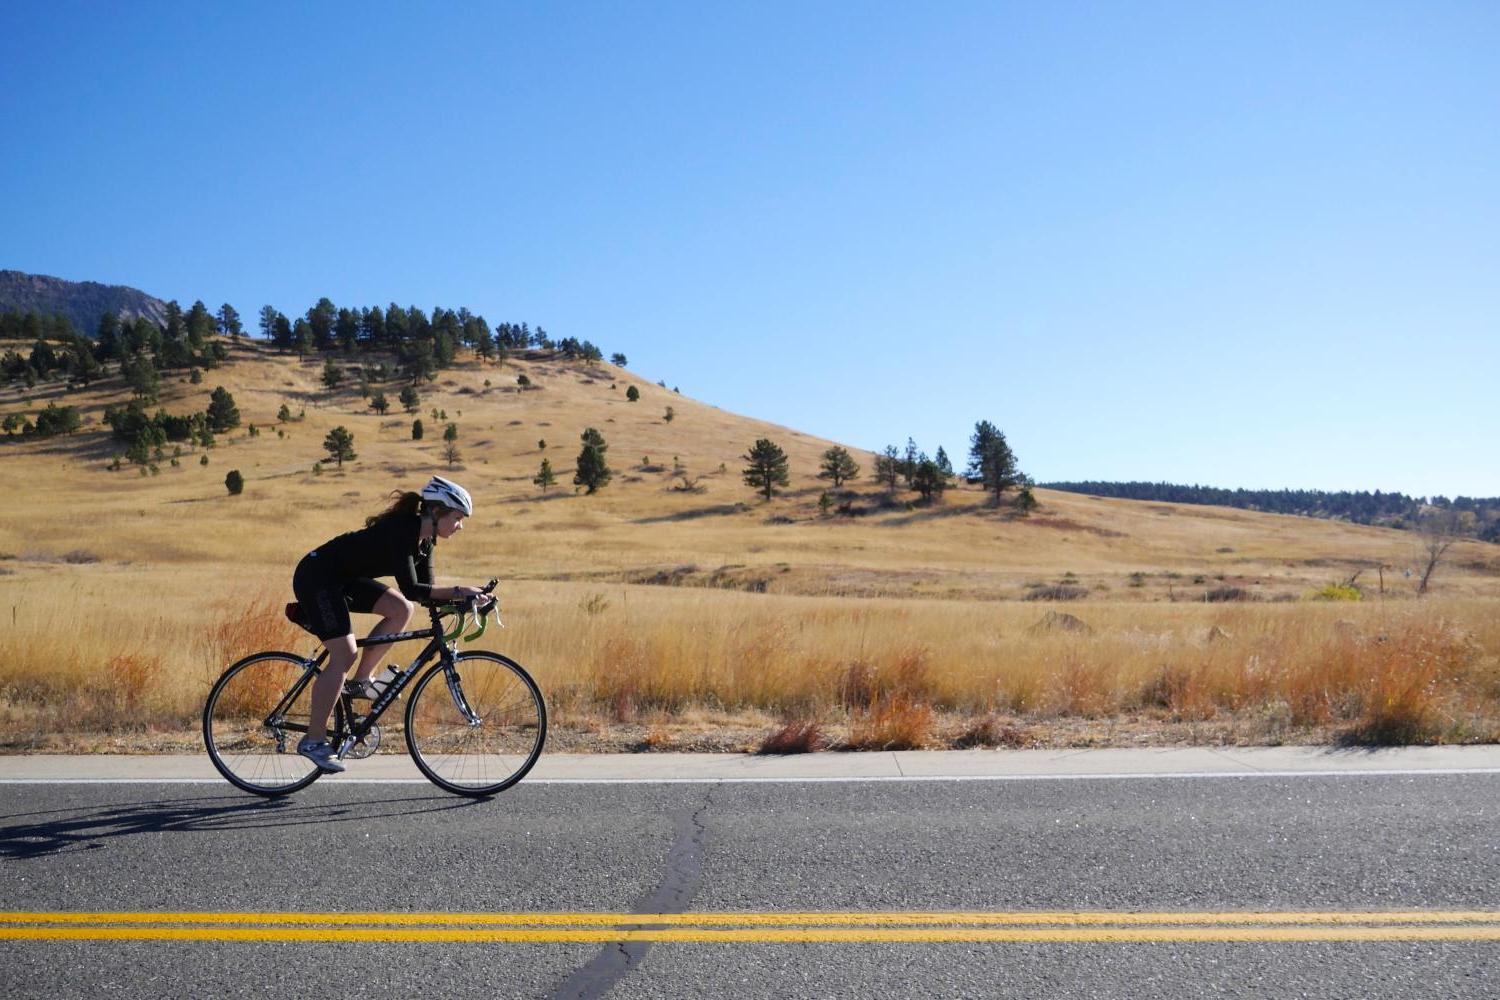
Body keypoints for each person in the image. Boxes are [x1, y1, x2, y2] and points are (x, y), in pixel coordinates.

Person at [291, 475, 493, 772]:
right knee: (344, 654)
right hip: (317, 578)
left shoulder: (425, 542)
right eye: (458, 517)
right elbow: (414, 587)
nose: (460, 525)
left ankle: (360, 682)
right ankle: (314, 740)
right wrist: (461, 590)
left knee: (401, 609)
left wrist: (467, 600)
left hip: (342, 580)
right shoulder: (404, 530)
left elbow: (425, 594)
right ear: (436, 513)